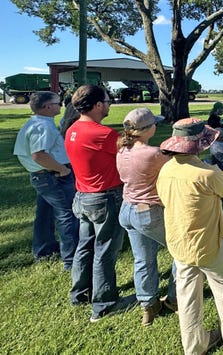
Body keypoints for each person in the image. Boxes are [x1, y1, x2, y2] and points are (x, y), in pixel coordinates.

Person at [156, 118, 223, 355]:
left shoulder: (165, 169)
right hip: (209, 242)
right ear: (199, 144)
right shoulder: (206, 173)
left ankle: (195, 346)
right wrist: (215, 169)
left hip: (178, 242)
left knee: (187, 297)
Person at [64, 85, 129, 322]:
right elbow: (128, 150)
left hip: (82, 197)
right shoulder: (101, 133)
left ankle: (79, 293)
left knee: (85, 247)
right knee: (105, 250)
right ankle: (104, 303)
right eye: (107, 100)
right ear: (98, 105)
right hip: (104, 198)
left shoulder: (73, 129)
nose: (110, 103)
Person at [116, 108, 178, 326]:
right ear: (146, 129)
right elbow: (178, 167)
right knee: (181, 252)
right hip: (148, 211)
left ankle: (148, 305)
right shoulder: (153, 154)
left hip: (127, 210)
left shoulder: (122, 150)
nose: (156, 127)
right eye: (154, 124)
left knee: (143, 260)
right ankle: (175, 299)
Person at [13, 91, 78, 271]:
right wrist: (62, 169)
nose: (60, 106)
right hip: (52, 176)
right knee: (67, 215)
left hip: (43, 176)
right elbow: (39, 155)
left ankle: (44, 249)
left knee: (44, 213)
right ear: (48, 107)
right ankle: (71, 260)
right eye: (57, 103)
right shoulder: (43, 127)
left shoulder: (35, 123)